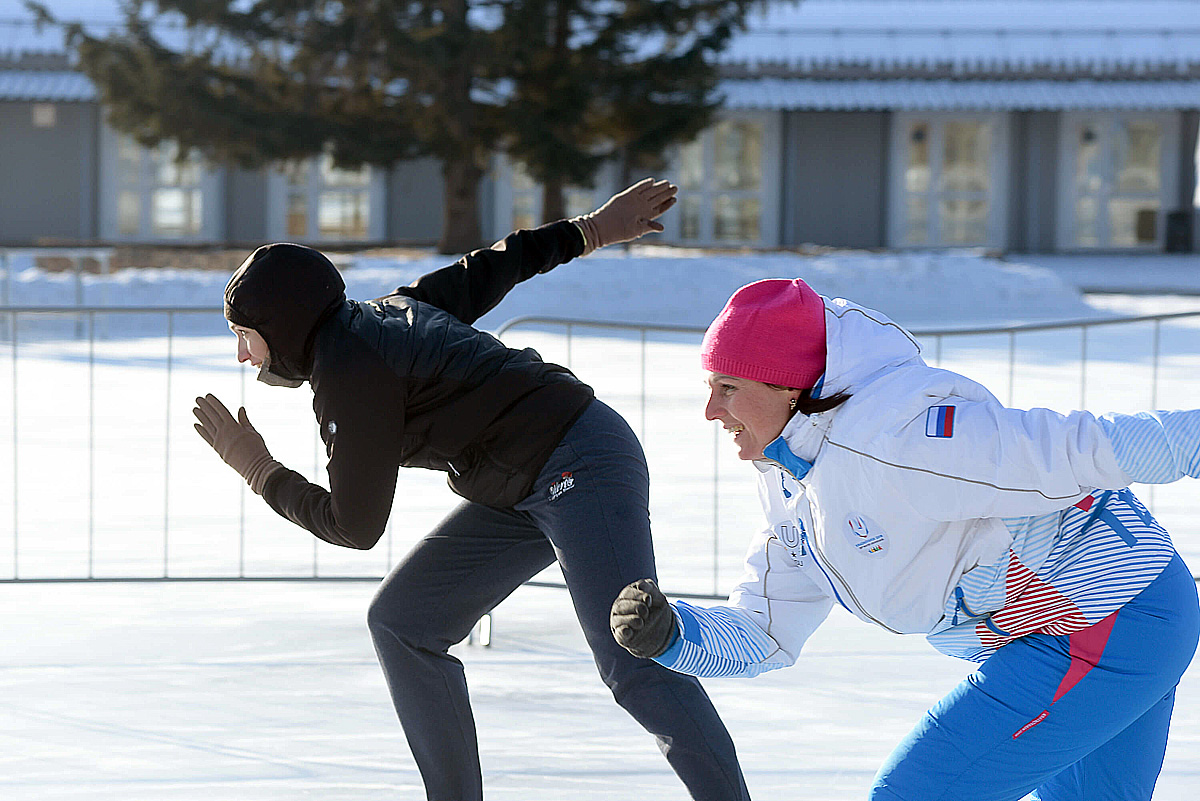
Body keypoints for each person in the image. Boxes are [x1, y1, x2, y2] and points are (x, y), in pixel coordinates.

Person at [191, 178, 751, 801]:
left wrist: (260, 470)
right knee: (403, 622)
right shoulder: (386, 313)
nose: (242, 354)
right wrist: (593, 229)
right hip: (518, 484)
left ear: (285, 324)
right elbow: (495, 266)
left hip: (580, 462)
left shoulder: (352, 369)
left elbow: (355, 524)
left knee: (633, 657)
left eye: (246, 334)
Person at [610, 277, 1200, 801]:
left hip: (1108, 617)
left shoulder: (900, 436)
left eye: (729, 387)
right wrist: (675, 635)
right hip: (1088, 629)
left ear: (788, 386)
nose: (710, 410)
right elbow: (767, 629)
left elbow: (1084, 447)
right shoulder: (792, 482)